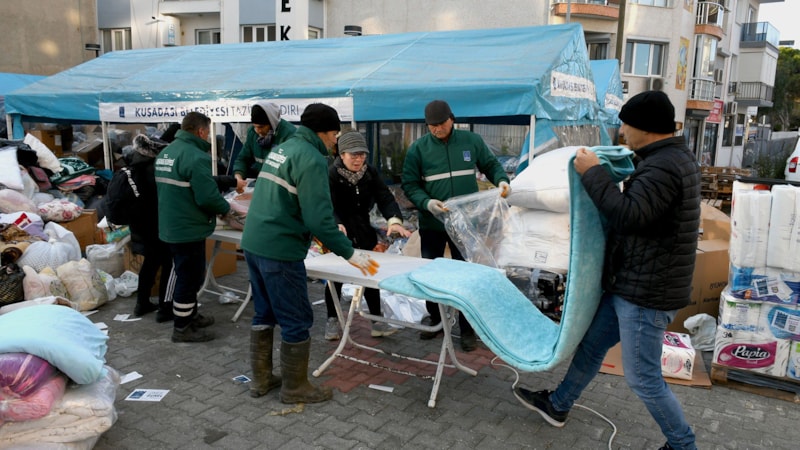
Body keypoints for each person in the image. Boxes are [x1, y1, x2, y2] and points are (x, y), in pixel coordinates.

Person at [513, 91, 700, 450]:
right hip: (630, 283)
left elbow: (630, 215)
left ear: (645, 127)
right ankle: (558, 405)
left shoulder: (663, 167)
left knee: (643, 378)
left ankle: (682, 444)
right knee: (591, 346)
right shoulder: (670, 158)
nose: (623, 130)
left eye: (626, 123)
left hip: (646, 294)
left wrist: (593, 174)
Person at [241, 103, 379, 403]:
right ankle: (295, 388)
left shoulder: (285, 148)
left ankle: (261, 379)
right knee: (297, 318)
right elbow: (318, 218)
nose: (335, 142)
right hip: (280, 248)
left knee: (264, 312)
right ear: (324, 132)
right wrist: (349, 253)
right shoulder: (312, 158)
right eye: (334, 135)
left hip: (253, 243)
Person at [401, 99, 510, 352]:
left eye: (440, 124)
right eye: (431, 126)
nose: (436, 129)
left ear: (452, 119)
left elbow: (491, 165)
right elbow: (409, 184)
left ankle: (467, 327)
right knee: (431, 273)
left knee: (465, 275)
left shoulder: (471, 142)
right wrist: (426, 203)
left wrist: (501, 181)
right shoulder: (419, 149)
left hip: (464, 224)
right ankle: (437, 319)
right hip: (432, 223)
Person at [323, 129, 412, 341]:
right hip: (340, 232)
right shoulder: (331, 175)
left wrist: (394, 220)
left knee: (370, 274)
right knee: (335, 279)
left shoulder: (369, 172)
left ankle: (377, 322)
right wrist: (335, 224)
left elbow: (385, 197)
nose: (358, 159)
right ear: (342, 154)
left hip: (363, 230)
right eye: (353, 154)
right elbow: (326, 204)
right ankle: (332, 320)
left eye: (362, 154)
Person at [155, 111, 231, 343]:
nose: (208, 137)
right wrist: (228, 209)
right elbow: (207, 197)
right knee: (189, 279)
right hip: (188, 228)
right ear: (200, 131)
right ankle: (182, 327)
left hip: (171, 225)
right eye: (208, 132)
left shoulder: (166, 153)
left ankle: (191, 315)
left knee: (187, 275)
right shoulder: (196, 157)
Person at [127, 134, 174, 324]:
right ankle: (165, 307)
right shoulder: (152, 169)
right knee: (168, 263)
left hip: (139, 224)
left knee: (151, 262)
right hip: (155, 223)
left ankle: (142, 302)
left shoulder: (135, 163)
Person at [232, 101, 297, 182]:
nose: (258, 130)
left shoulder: (289, 135)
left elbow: (292, 168)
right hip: (262, 181)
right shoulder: (252, 133)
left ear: (272, 123)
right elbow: (243, 159)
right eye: (255, 126)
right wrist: (238, 177)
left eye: (261, 127)